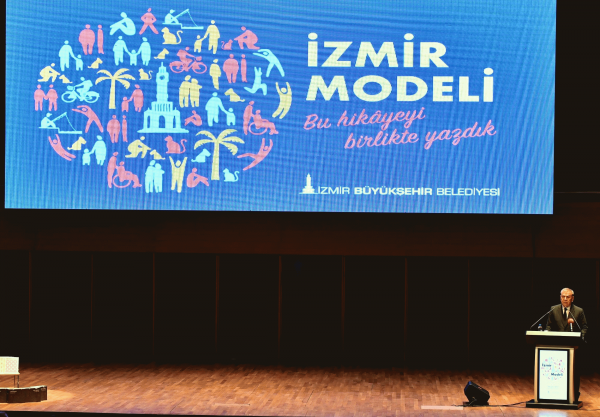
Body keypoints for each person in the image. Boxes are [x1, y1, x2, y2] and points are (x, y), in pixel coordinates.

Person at [545, 288, 588, 401]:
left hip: (574, 347)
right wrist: (547, 335)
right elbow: (549, 326)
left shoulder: (578, 311)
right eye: (563, 296)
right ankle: (557, 393)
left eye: (567, 297)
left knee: (574, 372)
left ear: (572, 298)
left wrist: (581, 337)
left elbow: (584, 327)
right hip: (557, 347)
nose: (565, 299)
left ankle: (574, 395)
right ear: (560, 297)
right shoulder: (553, 309)